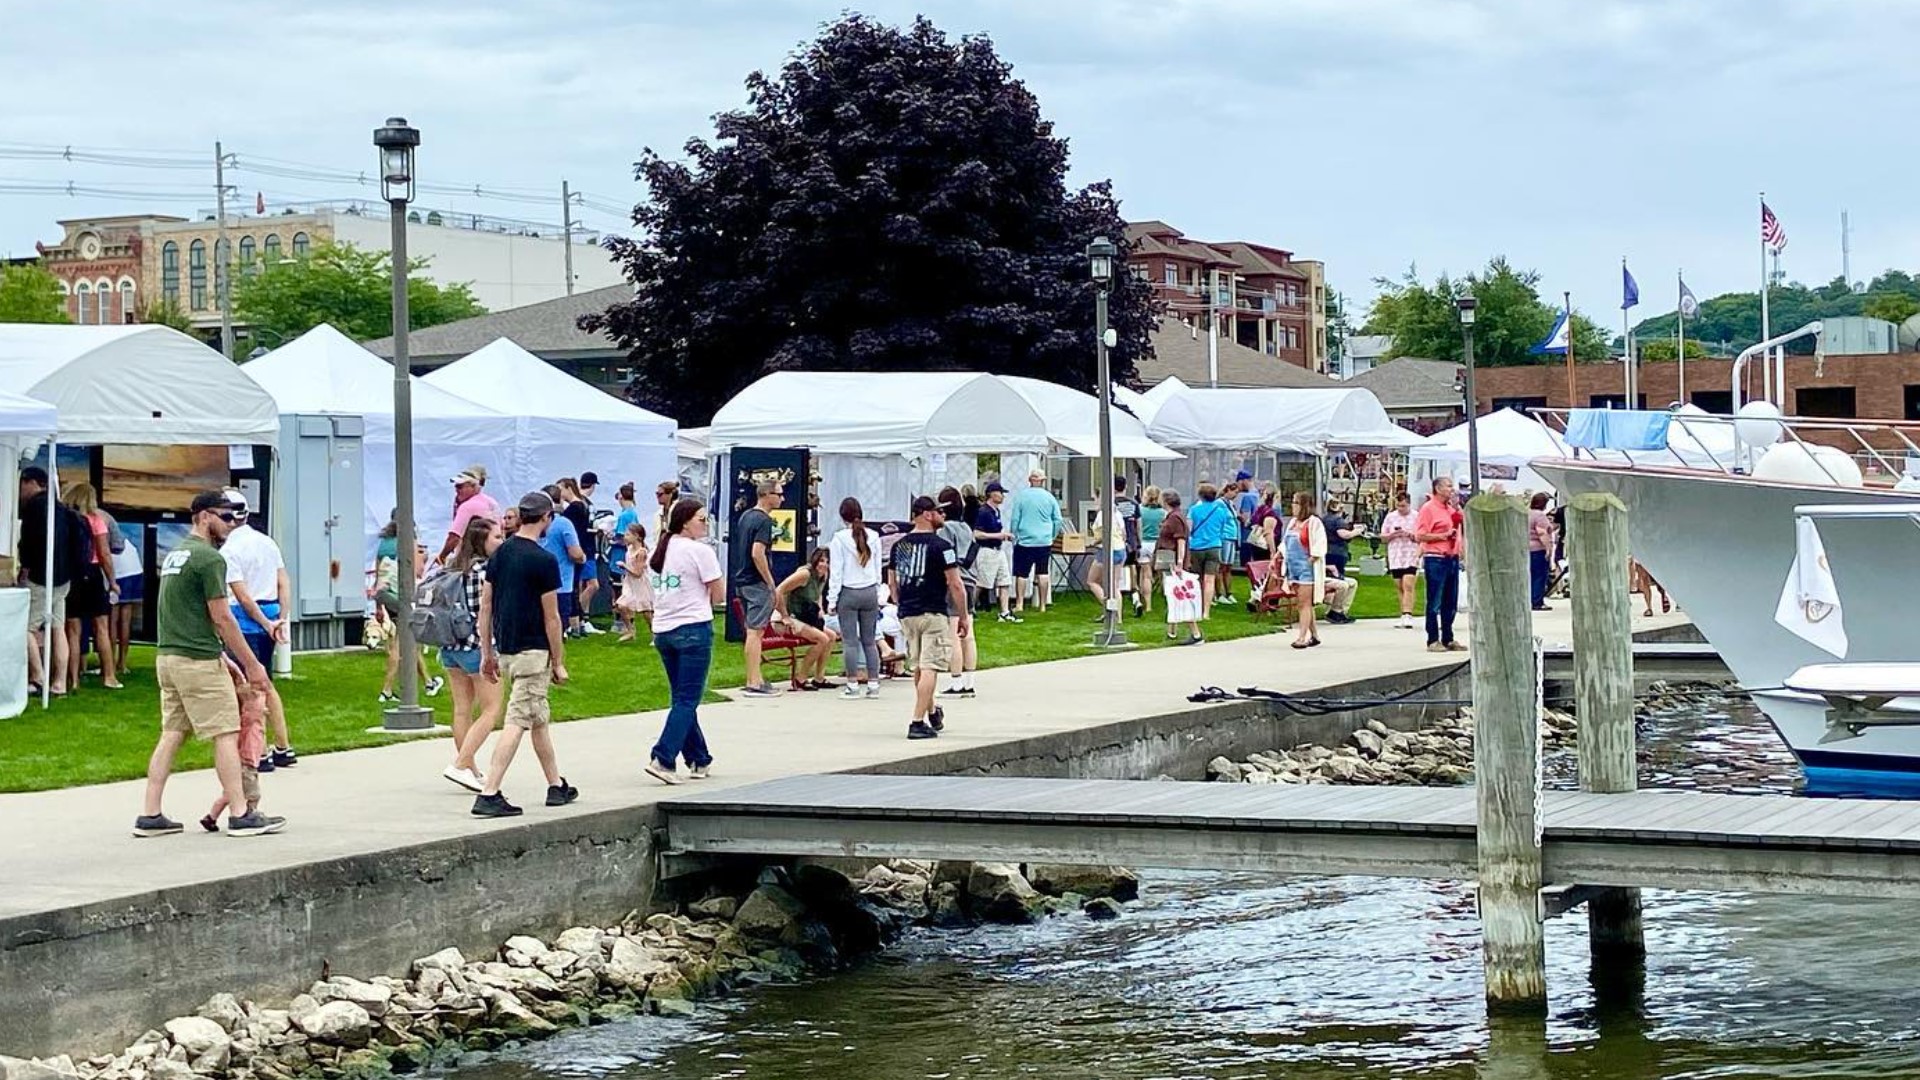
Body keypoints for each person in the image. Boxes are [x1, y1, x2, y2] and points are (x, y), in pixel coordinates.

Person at [135, 490, 282, 838]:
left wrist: (221, 656)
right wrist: (251, 664)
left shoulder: (177, 554)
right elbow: (222, 618)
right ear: (204, 516)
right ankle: (241, 813)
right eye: (226, 517)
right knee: (226, 733)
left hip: (168, 657)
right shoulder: (209, 560)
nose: (232, 525)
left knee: (172, 732)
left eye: (236, 517)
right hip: (196, 660)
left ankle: (150, 815)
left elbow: (182, 613)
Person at [472, 491, 577, 817]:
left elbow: (486, 606)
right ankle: (489, 792)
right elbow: (552, 617)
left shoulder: (500, 555)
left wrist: (486, 652)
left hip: (507, 648)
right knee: (517, 720)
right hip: (534, 651)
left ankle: (555, 785)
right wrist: (557, 662)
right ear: (546, 518)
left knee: (537, 717)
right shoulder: (544, 560)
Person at [644, 497, 723, 784]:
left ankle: (698, 757)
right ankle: (663, 757)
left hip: (664, 629)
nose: (705, 524)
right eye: (701, 519)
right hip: (693, 627)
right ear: (686, 521)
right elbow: (719, 594)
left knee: (681, 698)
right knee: (688, 698)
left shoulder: (662, 550)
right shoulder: (699, 552)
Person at [219, 490, 297, 768]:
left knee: (248, 686)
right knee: (265, 681)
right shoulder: (267, 542)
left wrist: (264, 623)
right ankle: (283, 746)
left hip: (246, 621)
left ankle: (258, 751)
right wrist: (280, 619)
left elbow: (242, 595)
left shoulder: (229, 551)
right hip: (272, 613)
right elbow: (283, 582)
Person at [889, 495, 969, 740]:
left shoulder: (898, 546)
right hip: (933, 612)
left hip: (908, 613)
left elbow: (892, 582)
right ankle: (916, 722)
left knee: (919, 667)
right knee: (930, 667)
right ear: (926, 514)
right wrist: (963, 615)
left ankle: (932, 711)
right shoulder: (941, 547)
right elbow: (955, 584)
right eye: (938, 512)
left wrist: (901, 602)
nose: (942, 516)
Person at [442, 515, 505, 793]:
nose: (501, 542)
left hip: (450, 645)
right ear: (483, 541)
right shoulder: (486, 572)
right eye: (497, 537)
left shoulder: (451, 567)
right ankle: (461, 763)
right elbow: (489, 612)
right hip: (477, 645)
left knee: (462, 709)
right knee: (492, 709)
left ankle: (469, 768)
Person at [18, 466, 80, 696]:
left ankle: (38, 676)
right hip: (63, 578)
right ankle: (59, 682)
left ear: (32, 482)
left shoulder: (34, 507)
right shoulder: (61, 507)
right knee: (57, 627)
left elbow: (29, 542)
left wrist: (24, 569)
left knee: (25, 627)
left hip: (41, 577)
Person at [374, 512, 441, 702]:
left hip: (387, 596)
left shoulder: (384, 543)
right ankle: (386, 690)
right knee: (402, 643)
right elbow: (417, 570)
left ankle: (429, 682)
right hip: (402, 595)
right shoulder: (408, 542)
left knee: (410, 642)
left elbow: (380, 574)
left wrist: (378, 606)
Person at [61, 481, 120, 691]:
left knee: (73, 630)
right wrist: (112, 581)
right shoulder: (96, 520)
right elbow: (104, 554)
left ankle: (73, 679)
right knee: (101, 628)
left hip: (71, 575)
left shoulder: (64, 520)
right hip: (92, 574)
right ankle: (109, 676)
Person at [200, 655, 268, 833]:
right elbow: (254, 711)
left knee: (228, 794)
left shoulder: (252, 720)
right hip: (247, 764)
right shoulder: (248, 721)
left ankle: (211, 817)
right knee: (252, 793)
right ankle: (251, 813)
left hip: (248, 762)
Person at [828, 497, 884, 700]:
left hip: (848, 592)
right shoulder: (874, 536)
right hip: (869, 591)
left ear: (843, 516)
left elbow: (836, 572)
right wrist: (877, 592)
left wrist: (832, 600)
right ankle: (874, 683)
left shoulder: (839, 539)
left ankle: (852, 684)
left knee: (850, 642)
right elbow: (877, 568)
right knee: (870, 641)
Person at [730, 480, 783, 695]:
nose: (782, 498)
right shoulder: (764, 521)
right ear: (767, 494)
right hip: (755, 582)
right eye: (779, 494)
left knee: (754, 631)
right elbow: (757, 552)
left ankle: (756, 677)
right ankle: (753, 681)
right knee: (755, 632)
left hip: (742, 580)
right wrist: (770, 582)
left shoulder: (746, 516)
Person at [935, 489, 979, 698]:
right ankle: (970, 681)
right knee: (968, 634)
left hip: (954, 581)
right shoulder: (966, 528)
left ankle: (956, 681)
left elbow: (944, 556)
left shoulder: (946, 530)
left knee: (954, 632)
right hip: (970, 580)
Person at [774, 548, 837, 689]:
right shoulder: (804, 574)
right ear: (814, 560)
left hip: (805, 617)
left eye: (827, 562)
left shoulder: (824, 575)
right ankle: (800, 678)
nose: (824, 565)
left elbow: (818, 594)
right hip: (786, 618)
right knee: (822, 639)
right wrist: (784, 616)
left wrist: (819, 608)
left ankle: (819, 678)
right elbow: (778, 590)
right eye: (821, 561)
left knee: (831, 636)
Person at [1416, 477, 1466, 653]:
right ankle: (1432, 639)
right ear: (1437, 488)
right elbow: (1420, 535)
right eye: (1448, 486)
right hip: (1436, 557)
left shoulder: (1451, 510)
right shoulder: (1428, 509)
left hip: (1452, 558)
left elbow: (1458, 531)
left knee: (1450, 601)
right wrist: (1442, 536)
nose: (1452, 489)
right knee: (1435, 600)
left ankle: (1448, 637)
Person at [1007, 470, 1063, 613]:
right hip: (1044, 540)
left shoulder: (1021, 497)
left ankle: (1019, 604)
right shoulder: (1049, 498)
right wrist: (1052, 536)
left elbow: (1015, 519)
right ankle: (1043, 605)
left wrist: (1015, 535)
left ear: (1030, 480)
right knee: (1043, 572)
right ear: (1043, 481)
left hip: (1025, 540)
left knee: (1022, 573)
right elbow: (1058, 520)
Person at [539, 484, 588, 639]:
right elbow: (575, 553)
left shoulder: (531, 525)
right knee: (556, 628)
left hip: (536, 583)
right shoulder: (563, 523)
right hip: (561, 584)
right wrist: (583, 557)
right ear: (559, 500)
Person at [1155, 491, 1202, 645]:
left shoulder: (1175, 518)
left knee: (1180, 595)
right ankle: (1172, 631)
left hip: (1173, 559)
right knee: (1171, 595)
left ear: (1166, 501)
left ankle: (1196, 633)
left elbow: (1180, 540)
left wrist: (1180, 562)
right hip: (1168, 557)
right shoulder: (1173, 516)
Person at [557, 477, 601, 634]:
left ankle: (574, 623)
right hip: (583, 550)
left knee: (574, 587)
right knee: (576, 586)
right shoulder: (582, 506)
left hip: (577, 551)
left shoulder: (573, 509)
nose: (559, 493)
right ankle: (579, 621)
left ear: (568, 488)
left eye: (560, 489)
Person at [1283, 492, 1327, 649]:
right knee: (1302, 603)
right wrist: (1277, 558)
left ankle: (1302, 637)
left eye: (1296, 503)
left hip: (1306, 567)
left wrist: (1312, 559)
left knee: (1304, 603)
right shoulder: (1292, 523)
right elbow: (1285, 544)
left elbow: (1320, 545)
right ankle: (1314, 635)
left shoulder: (1314, 523)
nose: (1293, 506)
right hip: (1292, 566)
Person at [970, 481, 1018, 622]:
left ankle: (1004, 612)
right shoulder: (983, 512)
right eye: (1000, 493)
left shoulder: (996, 512)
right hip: (987, 551)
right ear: (992, 494)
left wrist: (1005, 535)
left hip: (998, 550)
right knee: (982, 583)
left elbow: (997, 529)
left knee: (1004, 580)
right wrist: (997, 536)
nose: (1003, 496)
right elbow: (977, 534)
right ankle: (968, 609)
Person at [1185, 483, 1233, 620]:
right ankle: (1206, 612)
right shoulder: (1221, 511)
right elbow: (1222, 527)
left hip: (1196, 547)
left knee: (1197, 579)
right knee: (1210, 579)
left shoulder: (1194, 510)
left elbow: (1189, 529)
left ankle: (1196, 608)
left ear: (1200, 495)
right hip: (1214, 546)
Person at [438, 467, 500, 564]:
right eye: (455, 486)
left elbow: (454, 537)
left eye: (460, 486)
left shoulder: (468, 506)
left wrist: (442, 556)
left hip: (472, 557)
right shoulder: (492, 503)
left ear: (473, 486)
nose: (456, 490)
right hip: (495, 555)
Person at [1379, 491, 1421, 629]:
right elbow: (1383, 537)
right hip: (1396, 554)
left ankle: (1408, 614)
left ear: (1409, 504)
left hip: (1411, 554)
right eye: (1398, 506)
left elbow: (1422, 535)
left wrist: (1409, 534)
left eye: (1403, 506)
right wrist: (1393, 534)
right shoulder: (1391, 517)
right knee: (1399, 585)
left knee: (1408, 584)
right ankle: (1402, 612)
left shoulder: (1417, 516)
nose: (1401, 509)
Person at [109, 511, 143, 678]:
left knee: (112, 621)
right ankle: (122, 663)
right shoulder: (117, 529)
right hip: (135, 570)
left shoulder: (102, 524)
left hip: (119, 572)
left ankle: (110, 664)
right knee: (125, 621)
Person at [609, 483, 642, 639]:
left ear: (621, 496)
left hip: (620, 556)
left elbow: (623, 538)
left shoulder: (624, 516)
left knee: (618, 588)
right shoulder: (632, 513)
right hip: (627, 555)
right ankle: (629, 622)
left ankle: (621, 622)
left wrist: (610, 538)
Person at [614, 520, 655, 643]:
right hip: (630, 583)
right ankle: (630, 630)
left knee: (646, 612)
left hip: (640, 584)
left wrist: (624, 566)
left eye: (628, 534)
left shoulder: (641, 552)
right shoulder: (629, 549)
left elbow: (638, 573)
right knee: (621, 605)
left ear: (637, 536)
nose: (625, 537)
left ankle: (656, 634)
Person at [1135, 486, 1166, 615]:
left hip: (1144, 543)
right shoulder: (1163, 513)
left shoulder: (1140, 510)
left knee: (1146, 575)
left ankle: (1148, 605)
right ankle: (1168, 603)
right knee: (1164, 574)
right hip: (1159, 544)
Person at [1320, 497, 1365, 580]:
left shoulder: (1323, 519)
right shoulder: (1337, 520)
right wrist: (1357, 531)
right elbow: (1344, 535)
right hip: (1337, 552)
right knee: (1337, 577)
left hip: (1325, 551)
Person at [1528, 493, 1556, 612]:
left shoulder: (1527, 514)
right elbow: (1541, 532)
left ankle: (1529, 599)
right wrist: (1548, 548)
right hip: (1538, 549)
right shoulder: (1540, 516)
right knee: (1540, 576)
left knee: (1530, 576)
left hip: (1526, 549)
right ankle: (1537, 601)